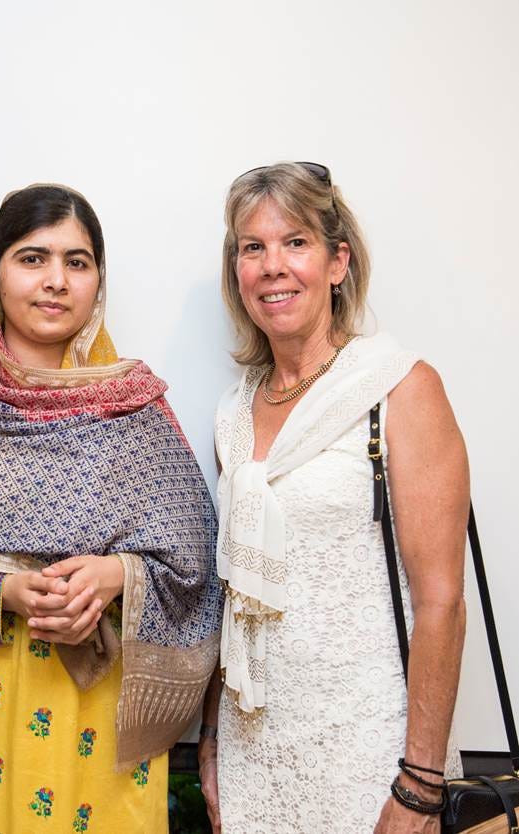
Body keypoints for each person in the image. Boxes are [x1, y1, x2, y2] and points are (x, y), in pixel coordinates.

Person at [0, 184, 223, 833]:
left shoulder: (136, 417)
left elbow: (196, 573)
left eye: (77, 262)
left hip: (101, 718)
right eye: (32, 258)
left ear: (97, 283)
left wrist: (116, 575)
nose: (55, 280)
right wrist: (7, 593)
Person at [198, 162, 468, 833]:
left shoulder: (399, 389)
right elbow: (232, 597)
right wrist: (210, 741)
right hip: (253, 755)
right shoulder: (231, 415)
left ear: (337, 261)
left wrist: (420, 784)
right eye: (252, 247)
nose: (272, 266)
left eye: (295, 242)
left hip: (371, 756)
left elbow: (440, 602)